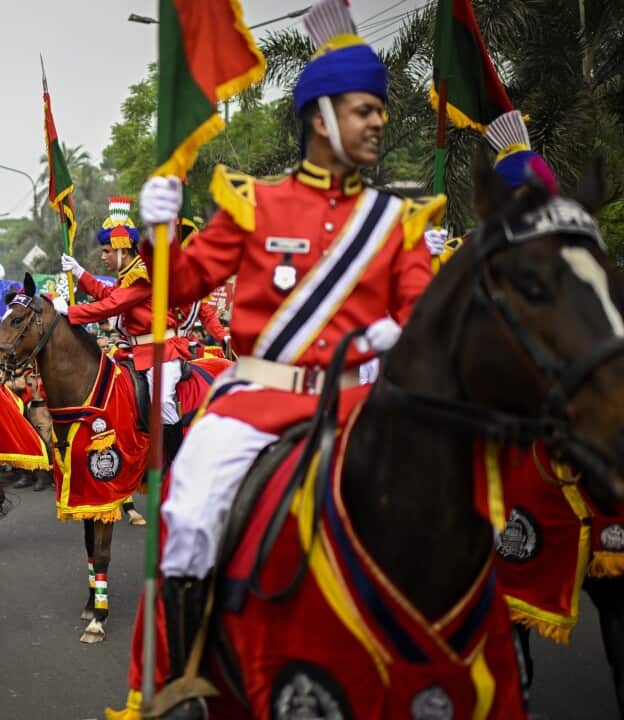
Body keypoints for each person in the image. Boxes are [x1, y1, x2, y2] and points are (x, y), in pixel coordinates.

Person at [135, 0, 440, 685]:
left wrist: (402, 328)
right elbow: (181, 285)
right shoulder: (254, 203)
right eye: (365, 109)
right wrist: (159, 233)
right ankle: (187, 678)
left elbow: (423, 308)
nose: (378, 122)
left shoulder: (398, 221)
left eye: (379, 110)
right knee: (188, 517)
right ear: (321, 116)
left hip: (364, 404)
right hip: (257, 405)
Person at [58, 197, 191, 461]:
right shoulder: (128, 274)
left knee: (163, 403)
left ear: (123, 250)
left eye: (107, 251)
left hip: (162, 352)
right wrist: (81, 273)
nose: (103, 256)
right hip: (137, 352)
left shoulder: (142, 274)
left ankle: (177, 460)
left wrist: (70, 312)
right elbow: (108, 293)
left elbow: (111, 305)